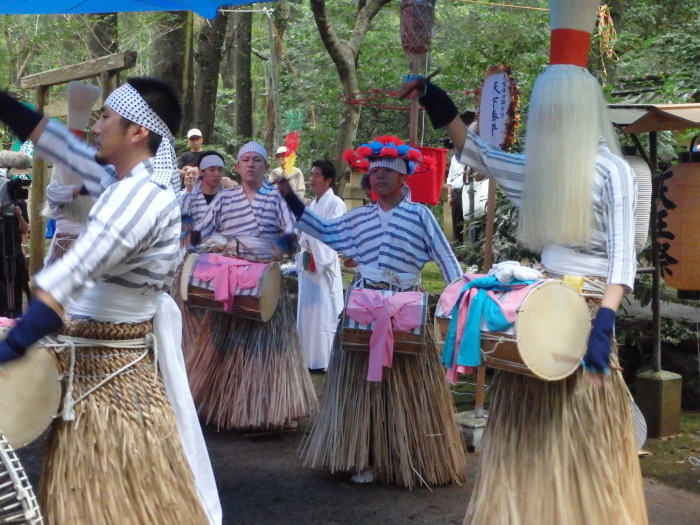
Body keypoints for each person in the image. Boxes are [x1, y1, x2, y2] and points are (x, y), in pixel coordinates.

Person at [407, 0, 647, 522]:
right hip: (540, 308)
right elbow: (477, 152)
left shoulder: (614, 171)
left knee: (581, 432)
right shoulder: (540, 169)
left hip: (586, 309)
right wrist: (434, 98)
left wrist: (603, 324)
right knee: (528, 427)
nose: (554, 117)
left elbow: (624, 260)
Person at [0, 78, 221, 524]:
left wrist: (10, 347)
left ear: (137, 131)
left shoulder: (144, 197)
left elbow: (69, 276)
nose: (95, 127)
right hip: (97, 370)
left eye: (104, 118)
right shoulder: (120, 178)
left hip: (116, 385)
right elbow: (56, 141)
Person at [277, 136, 466, 489]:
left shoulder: (420, 214)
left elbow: (447, 260)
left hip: (404, 308)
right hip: (363, 307)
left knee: (404, 385)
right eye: (374, 172)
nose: (378, 177)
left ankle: (409, 457)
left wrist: (459, 303)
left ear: (402, 178)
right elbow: (326, 231)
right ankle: (362, 454)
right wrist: (290, 198)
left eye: (386, 173)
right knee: (363, 386)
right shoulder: (361, 217)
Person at [185, 141, 317, 430]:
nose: (251, 164)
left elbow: (291, 239)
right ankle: (224, 405)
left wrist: (275, 247)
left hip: (266, 279)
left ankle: (271, 408)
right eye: (245, 159)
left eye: (257, 160)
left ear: (266, 166)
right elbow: (200, 233)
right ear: (237, 166)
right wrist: (205, 247)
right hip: (230, 279)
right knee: (224, 341)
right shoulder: (224, 199)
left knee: (270, 345)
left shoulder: (278, 198)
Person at [296, 159, 346, 371]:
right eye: (311, 175)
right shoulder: (313, 204)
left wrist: (314, 245)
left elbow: (333, 235)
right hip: (310, 267)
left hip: (324, 267)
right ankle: (307, 358)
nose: (312, 179)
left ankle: (325, 359)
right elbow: (304, 234)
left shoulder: (336, 204)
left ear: (328, 180)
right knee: (308, 313)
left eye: (317, 175)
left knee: (325, 313)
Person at [446, 154, 466, 243]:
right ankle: (458, 245)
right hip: (457, 192)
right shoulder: (454, 157)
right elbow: (450, 179)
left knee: (471, 219)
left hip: (469, 191)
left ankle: (474, 247)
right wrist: (449, 196)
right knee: (457, 220)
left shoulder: (473, 155)